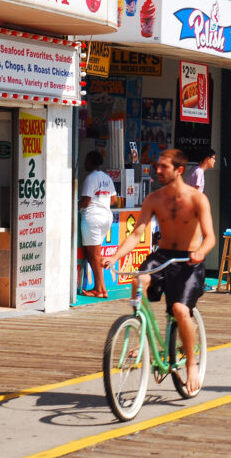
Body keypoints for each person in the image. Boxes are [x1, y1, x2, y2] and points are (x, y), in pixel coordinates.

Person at [102, 149, 214, 394]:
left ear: (179, 170)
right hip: (162, 256)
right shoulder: (153, 199)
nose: (158, 171)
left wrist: (201, 252)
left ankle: (192, 365)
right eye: (158, 166)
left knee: (180, 310)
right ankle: (141, 334)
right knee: (137, 281)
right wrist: (114, 257)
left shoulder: (197, 199)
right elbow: (136, 234)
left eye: (164, 167)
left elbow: (210, 238)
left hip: (188, 261)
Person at [79, 150, 118, 298]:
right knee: (95, 254)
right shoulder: (107, 178)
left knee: (94, 255)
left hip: (93, 217)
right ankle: (100, 288)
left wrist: (73, 206)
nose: (84, 164)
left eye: (86, 161)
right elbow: (114, 200)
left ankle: (100, 290)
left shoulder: (91, 178)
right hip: (106, 217)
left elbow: (86, 201)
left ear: (90, 161)